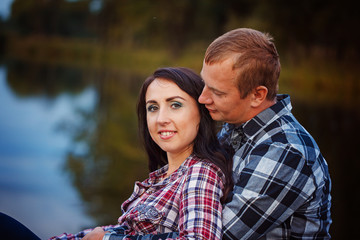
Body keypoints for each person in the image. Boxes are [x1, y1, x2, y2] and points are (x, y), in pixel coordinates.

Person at [104, 28, 332, 240]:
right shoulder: (235, 128)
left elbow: (215, 234)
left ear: (257, 95)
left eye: (217, 92)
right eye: (205, 85)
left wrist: (111, 237)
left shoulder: (285, 151)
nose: (202, 98)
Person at [50, 67, 232, 239]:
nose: (160, 119)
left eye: (175, 105)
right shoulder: (165, 177)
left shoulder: (200, 172)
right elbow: (126, 231)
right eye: (153, 108)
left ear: (201, 113)